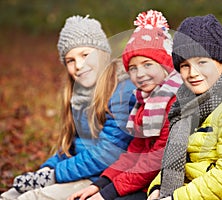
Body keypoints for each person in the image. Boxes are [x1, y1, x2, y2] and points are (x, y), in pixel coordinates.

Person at [1, 15, 136, 200]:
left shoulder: (121, 91)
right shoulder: (78, 97)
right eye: (70, 60)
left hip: (103, 179)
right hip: (78, 172)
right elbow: (71, 148)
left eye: (85, 55)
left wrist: (56, 175)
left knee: (32, 198)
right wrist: (48, 168)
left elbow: (108, 153)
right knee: (11, 194)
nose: (79, 65)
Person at [147, 14, 222, 200]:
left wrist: (176, 197)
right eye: (185, 65)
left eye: (202, 62)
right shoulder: (187, 103)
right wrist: (158, 187)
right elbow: (180, 160)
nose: (193, 73)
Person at [68, 10, 183, 200]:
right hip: (145, 178)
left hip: (165, 183)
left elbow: (156, 158)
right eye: (133, 68)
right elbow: (136, 149)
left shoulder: (174, 103)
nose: (139, 74)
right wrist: (101, 184)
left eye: (148, 64)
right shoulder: (146, 100)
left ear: (166, 66)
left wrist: (108, 193)